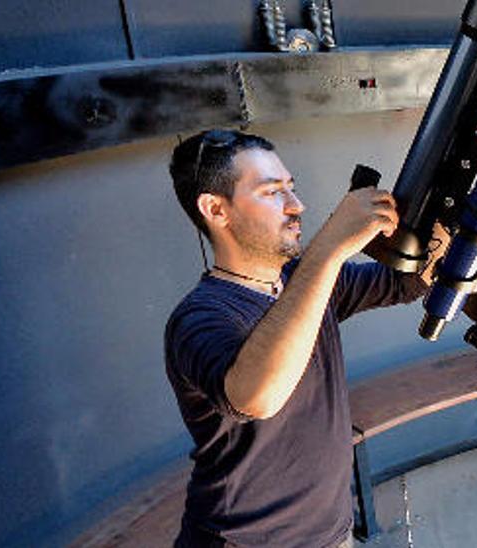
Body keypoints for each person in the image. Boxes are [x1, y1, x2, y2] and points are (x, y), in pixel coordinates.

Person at [164, 129, 446, 547]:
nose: (297, 206)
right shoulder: (199, 317)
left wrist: (450, 214)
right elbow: (256, 397)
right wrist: (331, 246)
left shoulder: (303, 280)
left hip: (329, 534)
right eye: (272, 192)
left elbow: (407, 282)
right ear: (216, 209)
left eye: (291, 189)